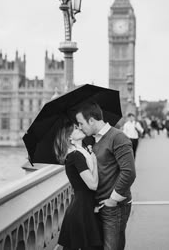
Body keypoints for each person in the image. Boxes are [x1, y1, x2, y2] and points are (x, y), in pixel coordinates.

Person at [76, 102, 136, 250]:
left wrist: (112, 200)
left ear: (91, 120)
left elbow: (129, 172)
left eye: (81, 123)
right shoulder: (91, 140)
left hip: (113, 208)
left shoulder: (118, 137)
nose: (79, 127)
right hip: (97, 206)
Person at [54, 118, 103, 250]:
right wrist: (95, 163)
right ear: (70, 137)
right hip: (83, 210)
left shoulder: (83, 152)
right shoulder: (76, 156)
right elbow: (93, 185)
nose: (80, 128)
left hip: (85, 205)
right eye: (76, 128)